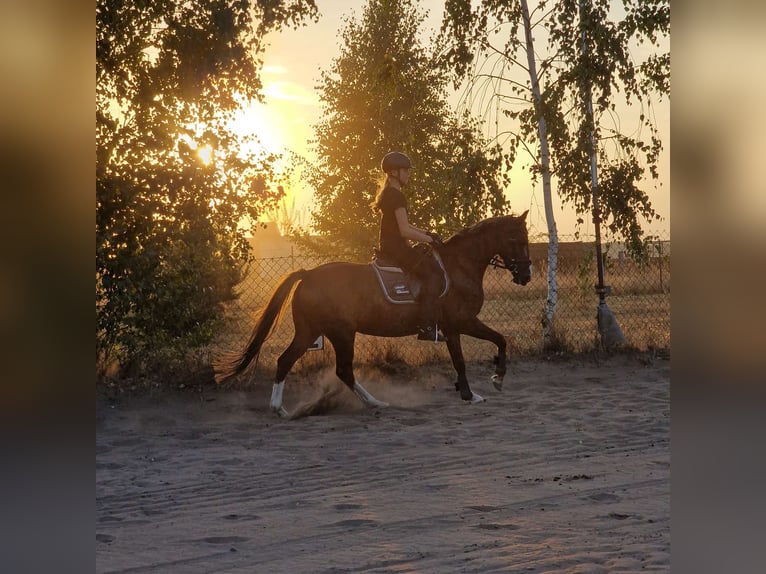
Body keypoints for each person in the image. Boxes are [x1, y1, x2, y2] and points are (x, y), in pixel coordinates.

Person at [373, 151, 446, 342]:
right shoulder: (396, 196)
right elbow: (404, 231)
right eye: (405, 170)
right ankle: (427, 326)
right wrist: (429, 240)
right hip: (397, 249)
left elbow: (405, 224)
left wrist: (426, 233)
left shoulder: (389, 194)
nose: (408, 174)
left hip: (389, 247)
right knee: (433, 274)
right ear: (394, 172)